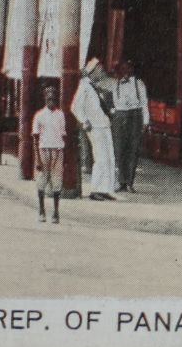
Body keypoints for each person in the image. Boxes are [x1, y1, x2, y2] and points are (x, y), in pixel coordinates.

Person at [71, 59, 119, 201]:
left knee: (110, 158)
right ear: (93, 71)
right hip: (95, 127)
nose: (102, 72)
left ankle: (106, 189)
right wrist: (84, 121)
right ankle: (96, 189)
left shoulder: (93, 86)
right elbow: (75, 106)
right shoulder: (84, 86)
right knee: (101, 158)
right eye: (100, 69)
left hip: (104, 125)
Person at [109, 60, 150, 193]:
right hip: (120, 116)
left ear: (131, 70)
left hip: (135, 116)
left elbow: (144, 103)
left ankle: (130, 182)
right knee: (120, 149)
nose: (125, 72)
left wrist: (145, 122)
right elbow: (112, 103)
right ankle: (121, 182)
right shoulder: (115, 85)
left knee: (133, 149)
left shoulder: (139, 84)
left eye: (128, 69)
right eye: (123, 69)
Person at [31, 86, 67, 224]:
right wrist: (38, 159)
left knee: (57, 182)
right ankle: (41, 210)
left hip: (57, 150)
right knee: (41, 181)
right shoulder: (39, 115)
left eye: (53, 97)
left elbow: (63, 135)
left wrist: (63, 156)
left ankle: (56, 212)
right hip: (43, 150)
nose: (51, 99)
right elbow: (35, 137)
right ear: (45, 98)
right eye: (48, 97)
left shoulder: (60, 114)